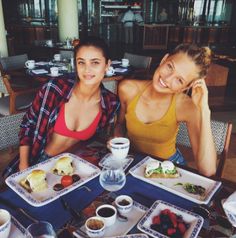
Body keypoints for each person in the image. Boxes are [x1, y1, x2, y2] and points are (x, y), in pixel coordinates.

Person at [2, 36, 120, 178]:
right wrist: (24, 165)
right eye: (81, 62)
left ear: (107, 65)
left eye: (95, 62)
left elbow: (108, 133)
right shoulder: (55, 88)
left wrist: (113, 138)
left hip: (75, 167)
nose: (87, 69)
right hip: (38, 161)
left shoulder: (110, 102)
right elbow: (28, 125)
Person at [114, 44, 217, 177]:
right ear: (164, 60)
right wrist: (118, 141)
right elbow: (120, 124)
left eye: (179, 80)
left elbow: (208, 170)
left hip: (169, 168)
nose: (167, 79)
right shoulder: (127, 89)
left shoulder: (186, 107)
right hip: (134, 163)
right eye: (170, 66)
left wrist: (204, 110)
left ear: (185, 87)